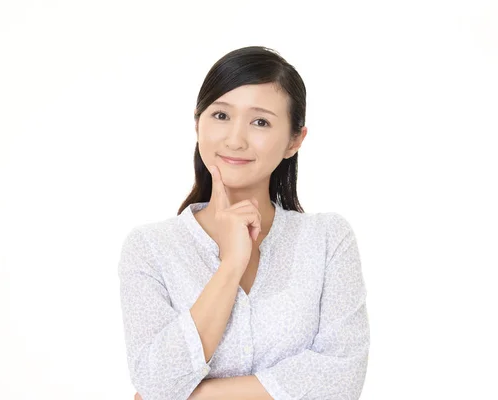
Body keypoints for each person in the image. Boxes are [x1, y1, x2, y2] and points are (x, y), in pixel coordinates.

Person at [118, 46, 369, 400]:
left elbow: (340, 379)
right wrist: (231, 265)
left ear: (295, 140)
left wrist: (193, 396)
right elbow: (154, 380)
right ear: (197, 123)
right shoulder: (151, 248)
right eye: (221, 115)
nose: (235, 139)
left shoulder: (327, 240)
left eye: (260, 121)